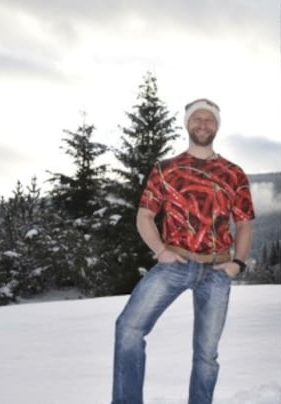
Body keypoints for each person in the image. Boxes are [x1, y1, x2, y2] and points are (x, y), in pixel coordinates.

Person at [112, 98, 255, 404]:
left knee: (206, 356)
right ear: (187, 124)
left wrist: (238, 263)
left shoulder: (233, 173)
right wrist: (161, 251)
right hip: (174, 263)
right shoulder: (166, 170)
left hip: (216, 271)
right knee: (128, 329)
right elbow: (144, 217)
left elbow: (243, 224)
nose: (203, 124)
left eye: (210, 120)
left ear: (217, 126)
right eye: (197, 119)